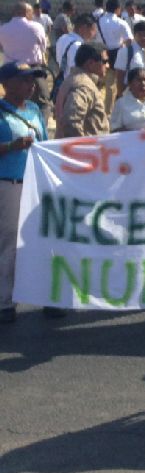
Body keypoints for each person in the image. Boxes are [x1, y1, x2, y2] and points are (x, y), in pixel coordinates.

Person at [0, 62, 49, 324]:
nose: (30, 85)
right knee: (9, 245)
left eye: (32, 80)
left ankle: (46, 296)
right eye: (23, 80)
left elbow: (44, 145)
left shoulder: (33, 109)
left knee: (39, 241)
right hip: (9, 184)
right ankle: (5, 301)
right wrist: (11, 146)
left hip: (34, 184)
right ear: (6, 84)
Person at [58, 44, 110, 138]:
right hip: (88, 150)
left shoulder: (72, 79)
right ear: (90, 63)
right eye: (104, 61)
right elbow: (71, 121)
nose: (107, 65)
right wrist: (82, 149)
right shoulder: (84, 86)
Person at [113, 20, 145, 97]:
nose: (143, 38)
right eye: (140, 35)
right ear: (134, 35)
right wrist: (121, 96)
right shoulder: (125, 52)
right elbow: (120, 77)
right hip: (131, 94)